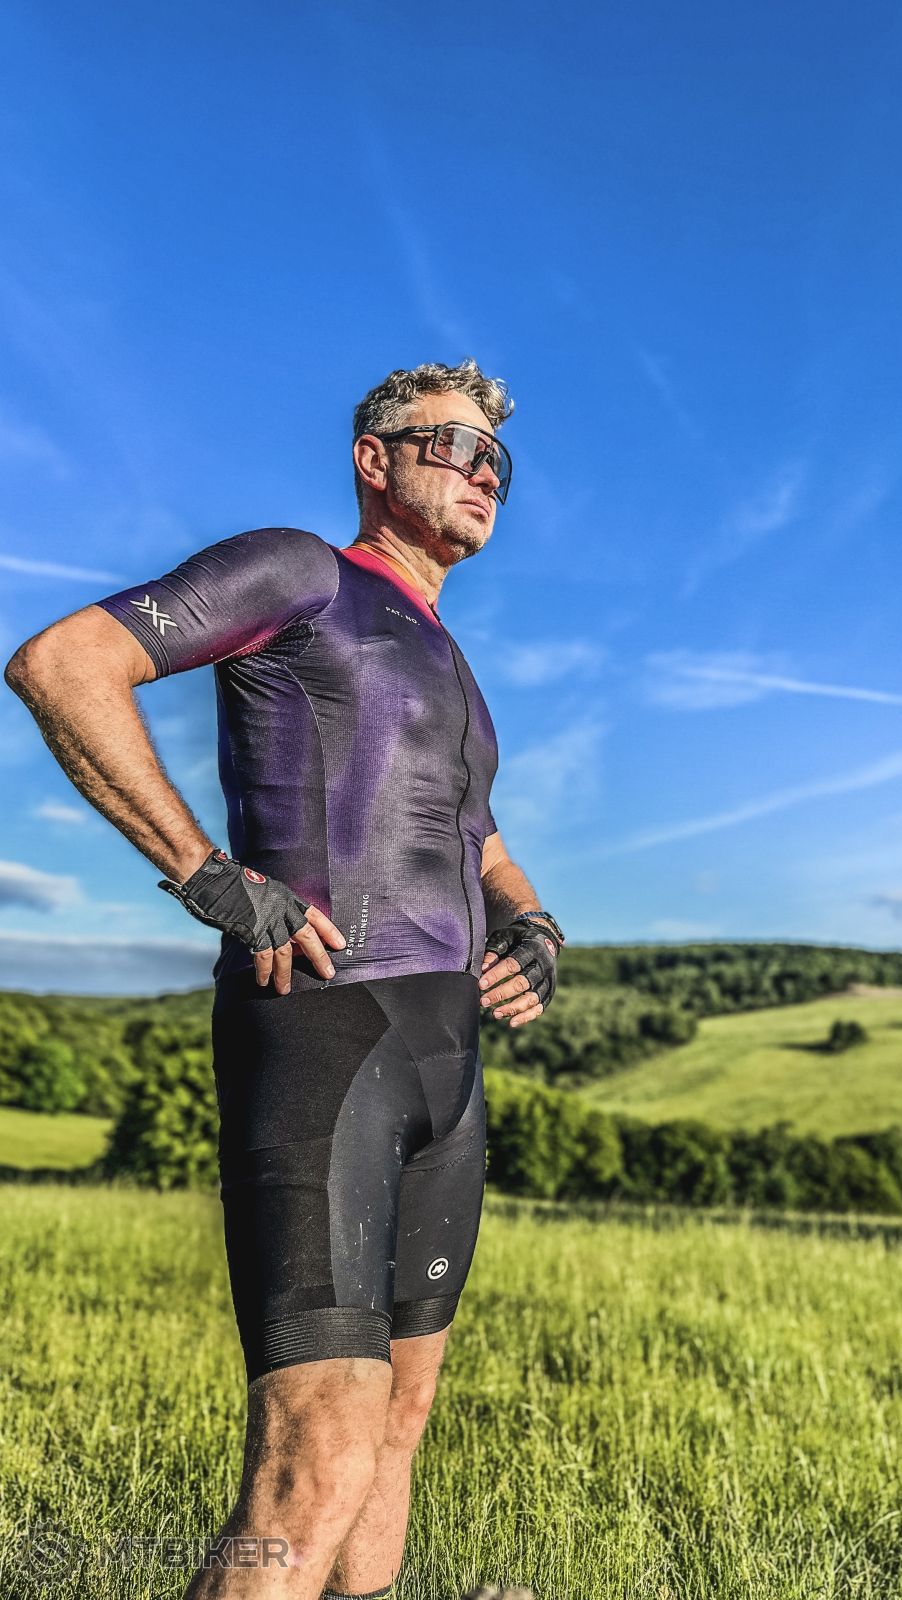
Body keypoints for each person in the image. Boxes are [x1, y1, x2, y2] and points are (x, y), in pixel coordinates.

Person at [4, 359, 566, 1599]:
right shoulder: (301, 572)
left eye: (496, 458)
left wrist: (530, 924)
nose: (482, 472)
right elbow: (63, 663)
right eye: (452, 445)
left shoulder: (451, 662)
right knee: (317, 1452)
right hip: (326, 1037)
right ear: (375, 459)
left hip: (447, 1062)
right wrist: (206, 873)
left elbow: (477, 837)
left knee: (398, 1424)